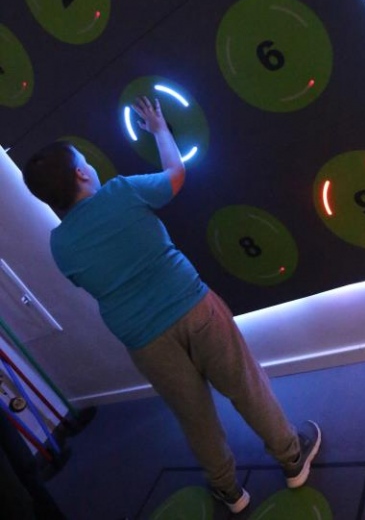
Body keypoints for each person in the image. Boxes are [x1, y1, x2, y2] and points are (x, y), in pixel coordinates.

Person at [22, 96, 322, 514]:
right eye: (84, 161)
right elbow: (176, 176)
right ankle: (292, 458)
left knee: (193, 416)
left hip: (144, 341)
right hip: (194, 307)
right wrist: (160, 130)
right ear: (81, 173)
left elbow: (89, 281)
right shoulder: (121, 192)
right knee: (245, 386)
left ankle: (229, 491)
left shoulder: (60, 245)